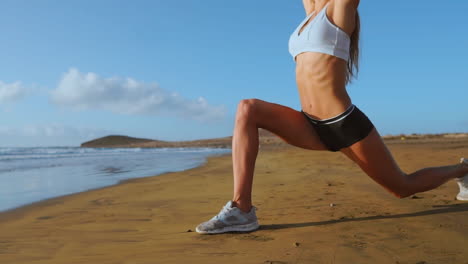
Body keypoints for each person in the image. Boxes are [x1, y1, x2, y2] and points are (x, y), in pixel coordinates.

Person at [195, 0, 468, 234]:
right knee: (248, 108)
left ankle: (462, 171)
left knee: (402, 186)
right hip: (309, 123)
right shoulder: (310, 14)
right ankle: (242, 210)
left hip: (343, 123)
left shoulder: (339, 10)